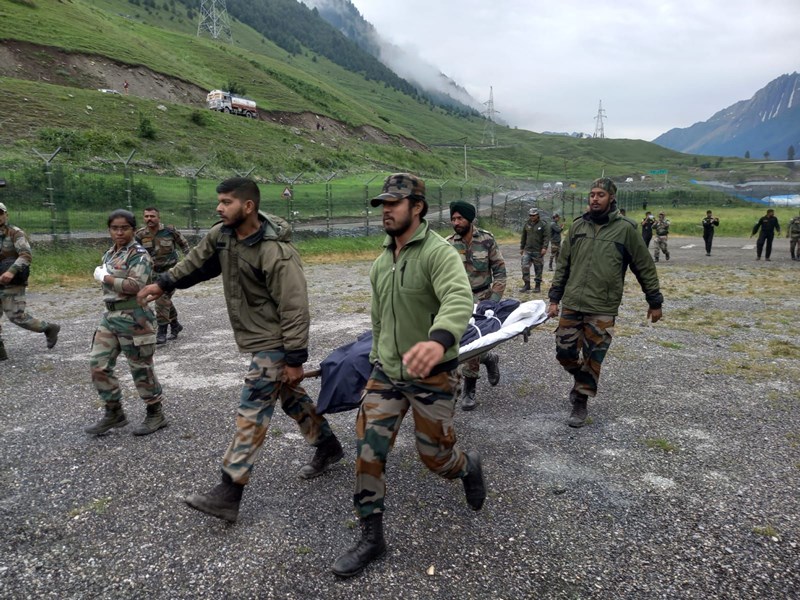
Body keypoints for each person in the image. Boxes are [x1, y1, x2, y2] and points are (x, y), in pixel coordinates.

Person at [137, 177, 342, 523]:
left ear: (248, 206)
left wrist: (294, 359)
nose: (219, 208)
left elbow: (295, 308)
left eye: (227, 202)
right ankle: (328, 445)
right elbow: (197, 263)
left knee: (253, 410)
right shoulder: (223, 235)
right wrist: (163, 283)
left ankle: (229, 491)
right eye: (219, 201)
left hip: (275, 340)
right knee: (290, 396)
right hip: (258, 336)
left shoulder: (276, 252)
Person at [332, 173, 485, 578]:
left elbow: (458, 298)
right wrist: (375, 366)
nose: (386, 211)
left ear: (417, 207)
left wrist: (438, 340)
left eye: (393, 203)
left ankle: (467, 466)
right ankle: (371, 538)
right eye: (382, 204)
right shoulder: (382, 262)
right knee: (368, 450)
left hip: (433, 376)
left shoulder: (439, 253)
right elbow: (379, 321)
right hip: (387, 375)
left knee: (436, 458)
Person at [547, 178, 663, 428]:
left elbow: (644, 266)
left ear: (611, 198)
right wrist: (554, 298)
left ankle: (581, 399)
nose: (595, 199)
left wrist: (654, 300)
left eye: (600, 194)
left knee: (593, 356)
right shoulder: (577, 227)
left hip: (602, 306)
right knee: (564, 352)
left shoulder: (626, 230)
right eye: (592, 194)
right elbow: (563, 265)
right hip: (573, 302)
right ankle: (582, 379)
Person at [86, 209, 167, 436]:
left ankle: (155, 413)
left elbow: (135, 285)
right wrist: (107, 278)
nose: (119, 232)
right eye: (115, 228)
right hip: (110, 316)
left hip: (135, 317)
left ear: (133, 229)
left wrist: (105, 277)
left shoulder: (139, 255)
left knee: (140, 368)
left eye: (124, 228)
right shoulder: (110, 254)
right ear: (109, 230)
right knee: (98, 364)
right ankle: (114, 412)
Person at [446, 200, 506, 411]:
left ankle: (469, 389)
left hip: (483, 299)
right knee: (457, 342)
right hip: (457, 300)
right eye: (453, 218)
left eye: (460, 218)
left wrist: (493, 301)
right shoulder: (448, 244)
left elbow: (500, 271)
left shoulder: (486, 240)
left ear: (469, 219)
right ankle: (489, 358)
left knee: (474, 341)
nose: (456, 222)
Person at [0, 201, 60, 361]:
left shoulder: (15, 233)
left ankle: (48, 328)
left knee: (16, 316)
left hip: (12, 281)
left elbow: (26, 255)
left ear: (6, 215)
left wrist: (11, 271)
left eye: (0, 213)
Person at [135, 207, 191, 344]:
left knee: (161, 299)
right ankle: (175, 325)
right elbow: (133, 252)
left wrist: (189, 262)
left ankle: (162, 332)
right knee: (165, 300)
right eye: (146, 216)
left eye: (152, 216)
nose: (149, 219)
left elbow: (184, 245)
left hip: (171, 273)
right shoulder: (140, 235)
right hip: (152, 273)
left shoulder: (169, 231)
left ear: (158, 218)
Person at [519, 207, 549, 293]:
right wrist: (522, 247)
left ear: (537, 215)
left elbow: (546, 237)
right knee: (524, 266)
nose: (532, 217)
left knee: (538, 268)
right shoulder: (527, 224)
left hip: (538, 250)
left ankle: (537, 286)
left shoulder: (543, 224)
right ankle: (527, 284)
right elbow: (524, 236)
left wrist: (544, 247)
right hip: (527, 250)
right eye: (530, 215)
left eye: (533, 215)